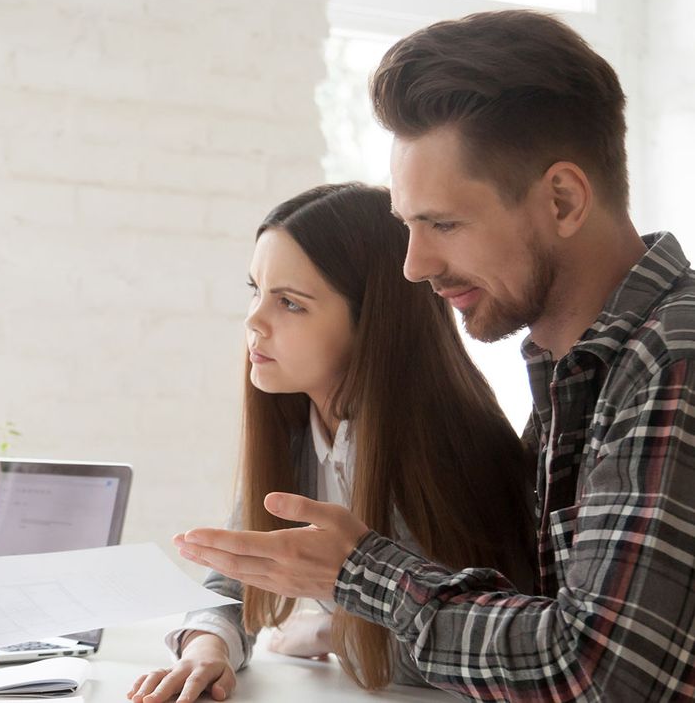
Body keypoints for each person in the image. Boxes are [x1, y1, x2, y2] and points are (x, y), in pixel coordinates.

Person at [175, 10, 695, 701]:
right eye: (408, 227)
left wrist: (357, 576)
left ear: (563, 200)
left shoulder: (672, 359)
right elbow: (547, 622)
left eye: (445, 224)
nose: (415, 268)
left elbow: (600, 676)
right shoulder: (578, 373)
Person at [128, 183, 536, 703]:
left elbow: (454, 653)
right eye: (255, 290)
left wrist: (332, 628)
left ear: (373, 323)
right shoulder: (300, 433)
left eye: (290, 303)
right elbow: (233, 583)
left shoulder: (447, 454)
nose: (254, 320)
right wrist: (207, 648)